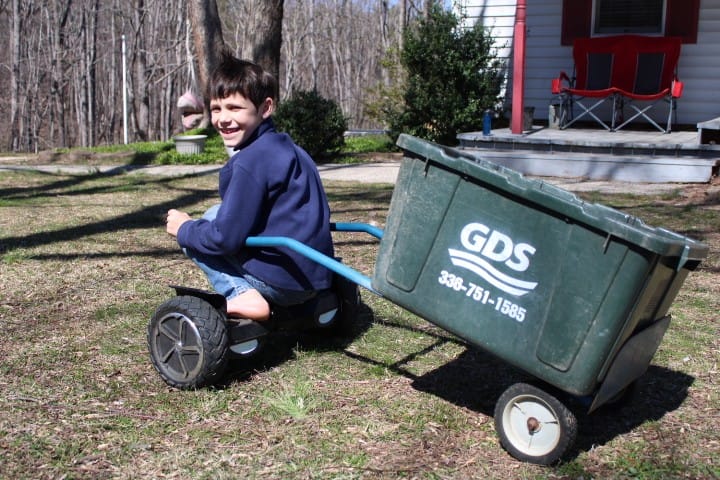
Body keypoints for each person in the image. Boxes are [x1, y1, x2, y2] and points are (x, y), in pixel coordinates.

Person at [165, 54, 334, 322]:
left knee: (196, 230)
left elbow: (225, 239)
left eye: (234, 108)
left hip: (282, 284)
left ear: (265, 108)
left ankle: (242, 295)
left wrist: (184, 229)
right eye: (216, 108)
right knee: (214, 213)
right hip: (316, 275)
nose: (223, 119)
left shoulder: (250, 162)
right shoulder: (291, 148)